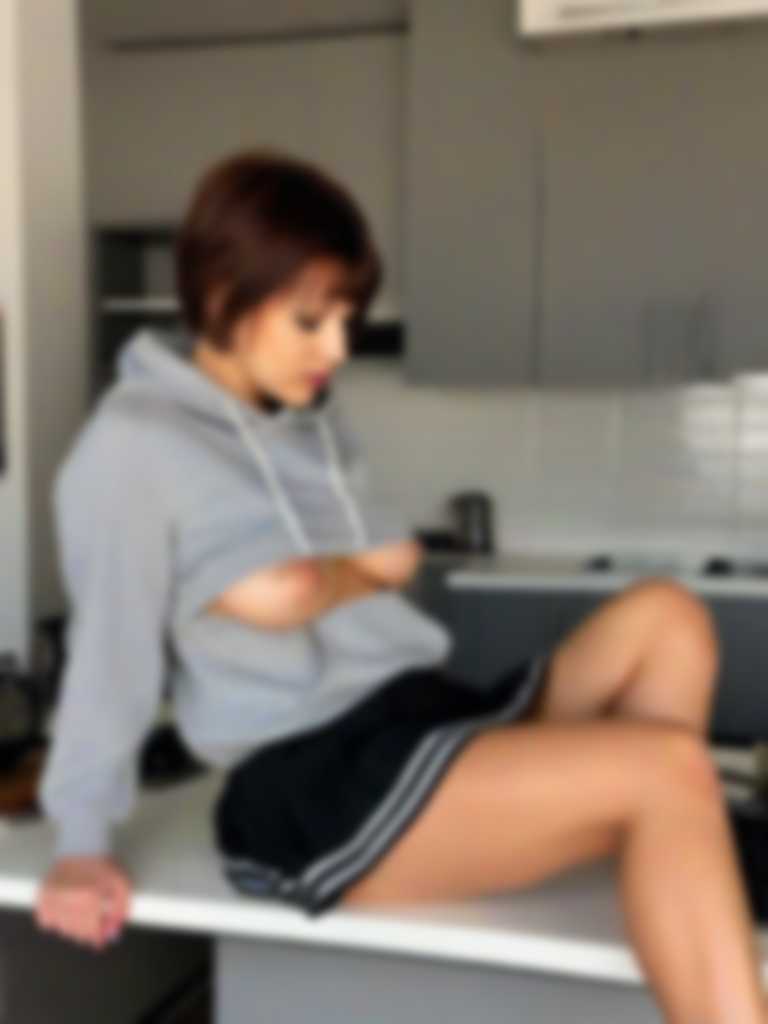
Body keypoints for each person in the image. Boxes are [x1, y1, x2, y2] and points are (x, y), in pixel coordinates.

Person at [34, 148, 766, 1023]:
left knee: (668, 617)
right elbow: (110, 656)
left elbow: (373, 568)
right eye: (311, 320)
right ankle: (660, 832)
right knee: (668, 767)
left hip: (415, 713)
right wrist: (80, 840)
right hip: (311, 779)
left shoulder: (309, 421)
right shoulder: (131, 448)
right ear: (224, 295)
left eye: (347, 319)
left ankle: (654, 851)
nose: (338, 349)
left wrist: (313, 586)